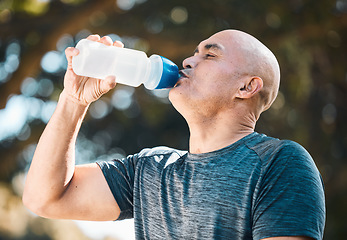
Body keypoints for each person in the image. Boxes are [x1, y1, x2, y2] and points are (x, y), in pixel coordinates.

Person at [22, 29, 325, 240]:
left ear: (246, 88)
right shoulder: (149, 169)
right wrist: (73, 101)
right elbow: (44, 199)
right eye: (195, 52)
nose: (188, 61)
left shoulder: (281, 163)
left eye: (210, 55)